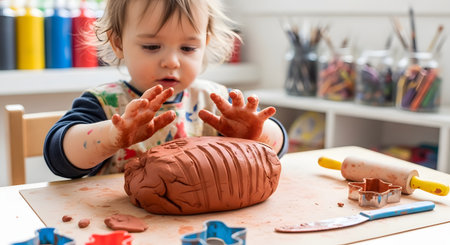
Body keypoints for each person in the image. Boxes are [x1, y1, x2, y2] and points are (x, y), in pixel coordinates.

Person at [44, 0, 288, 178]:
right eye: (152, 46)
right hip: (123, 224)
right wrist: (112, 135)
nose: (172, 61)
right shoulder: (105, 103)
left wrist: (256, 133)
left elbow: (277, 150)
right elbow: (59, 156)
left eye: (188, 48)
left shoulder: (217, 103)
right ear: (118, 43)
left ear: (205, 44)